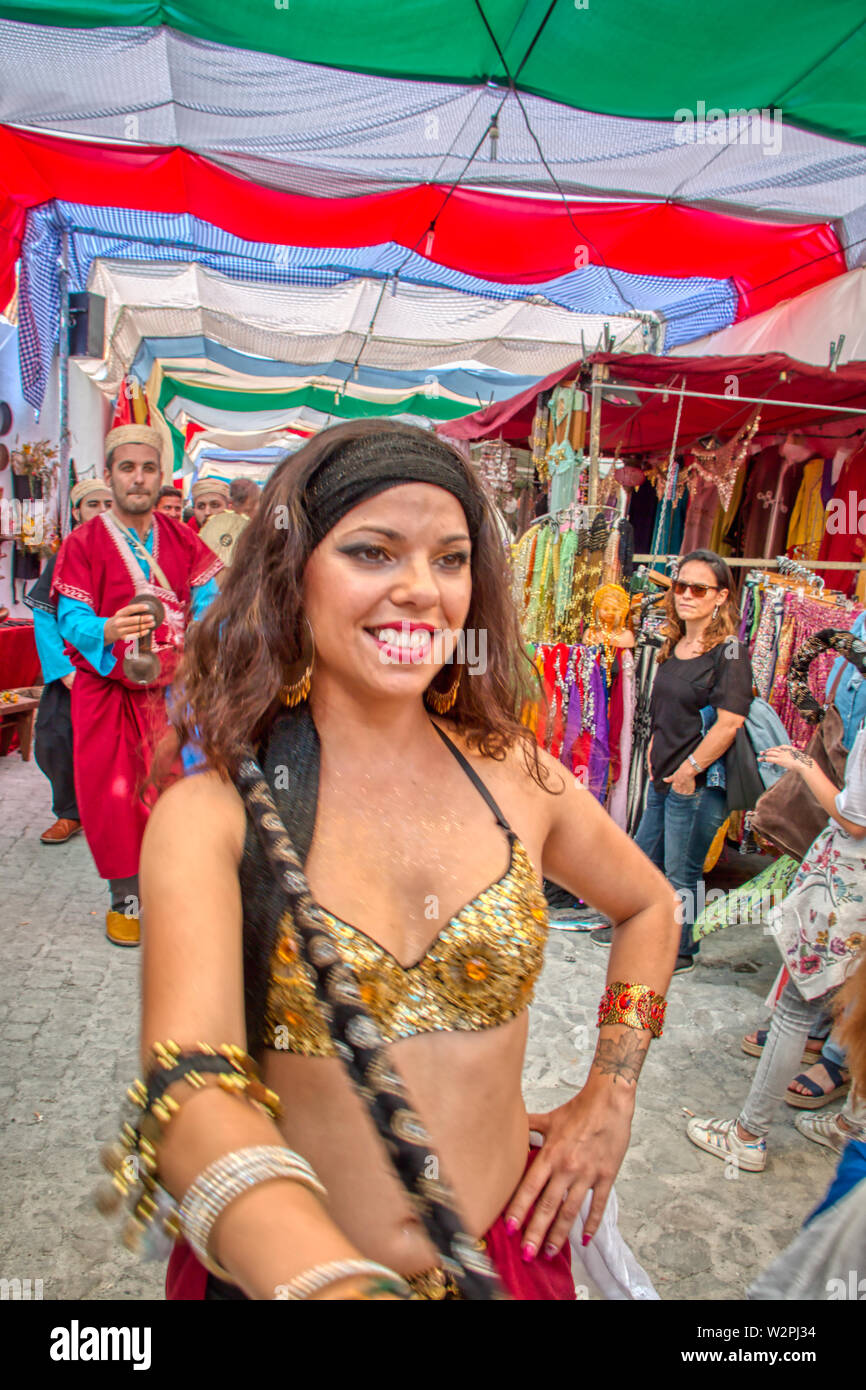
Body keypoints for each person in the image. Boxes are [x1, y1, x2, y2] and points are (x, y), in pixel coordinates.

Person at [116, 419, 678, 1301]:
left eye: (450, 560)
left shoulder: (518, 777)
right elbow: (193, 1097)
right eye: (374, 552)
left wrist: (610, 1092)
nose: (421, 590)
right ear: (291, 575)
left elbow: (651, 908)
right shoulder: (215, 815)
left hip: (509, 1266)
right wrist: (331, 1285)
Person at [50, 424, 223, 947]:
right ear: (110, 475)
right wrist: (103, 629)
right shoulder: (82, 543)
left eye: (148, 468)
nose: (138, 478)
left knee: (179, 789)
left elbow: (210, 596)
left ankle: (175, 892)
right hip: (105, 693)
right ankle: (125, 901)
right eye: (127, 468)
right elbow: (70, 615)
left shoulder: (183, 539)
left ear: (161, 477)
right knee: (112, 798)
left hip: (175, 693)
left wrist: (206, 631)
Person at [686, 727, 866, 1172]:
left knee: (795, 1008)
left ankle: (748, 1135)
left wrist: (804, 766)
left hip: (848, 888)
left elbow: (855, 819)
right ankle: (852, 1125)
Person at [591, 550, 752, 974]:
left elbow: (730, 723)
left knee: (683, 873)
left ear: (720, 597)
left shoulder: (730, 652)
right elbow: (668, 709)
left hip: (696, 781)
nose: (686, 595)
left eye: (699, 589)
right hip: (665, 774)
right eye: (680, 586)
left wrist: (689, 770)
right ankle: (635, 928)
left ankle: (680, 951)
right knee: (643, 859)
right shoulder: (675, 643)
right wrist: (653, 750)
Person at [23, 478, 112, 843]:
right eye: (93, 504)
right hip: (73, 672)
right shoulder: (66, 555)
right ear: (77, 511)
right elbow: (45, 614)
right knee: (55, 738)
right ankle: (70, 813)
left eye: (109, 503)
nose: (102, 512)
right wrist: (63, 669)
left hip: (115, 669)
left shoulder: (132, 556)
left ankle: (114, 811)